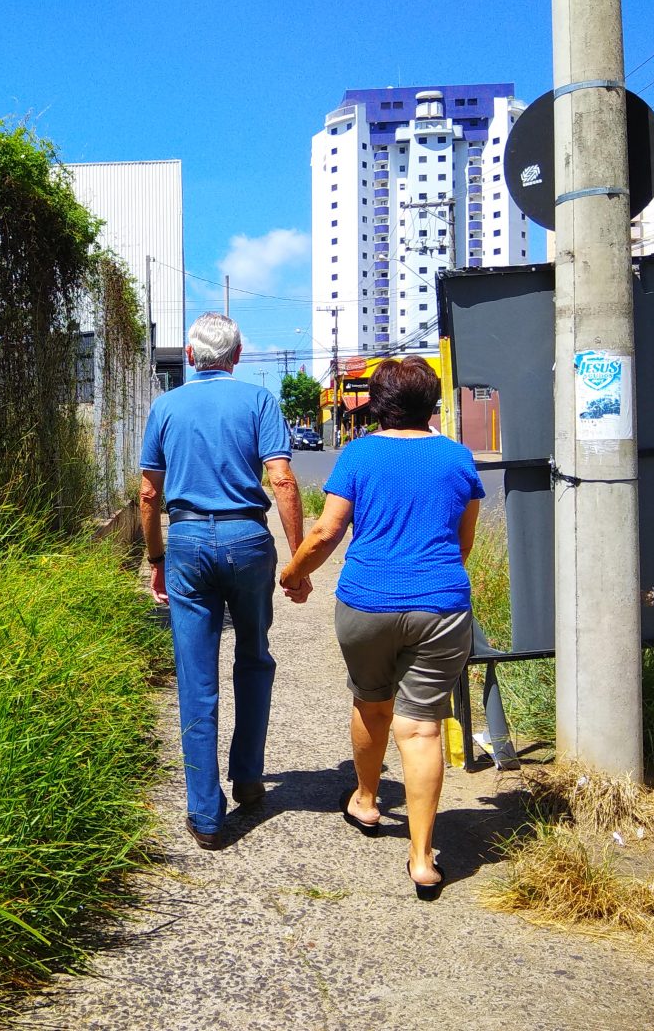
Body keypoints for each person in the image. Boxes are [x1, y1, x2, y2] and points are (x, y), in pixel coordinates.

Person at [277, 356, 482, 899]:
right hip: (441, 607)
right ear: (432, 404)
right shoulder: (458, 459)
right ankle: (421, 859)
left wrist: (294, 573)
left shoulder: (360, 454)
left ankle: (366, 801)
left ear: (376, 404)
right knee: (422, 729)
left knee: (372, 703)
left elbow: (325, 532)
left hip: (367, 604)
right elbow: (462, 544)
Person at [140, 313, 306, 851]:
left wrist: (156, 556)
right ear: (236, 357)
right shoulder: (260, 402)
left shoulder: (165, 406)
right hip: (247, 539)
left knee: (196, 677)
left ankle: (207, 816)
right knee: (254, 656)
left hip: (186, 541)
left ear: (190, 356)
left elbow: (148, 494)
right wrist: (298, 561)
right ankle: (250, 776)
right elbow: (281, 478)